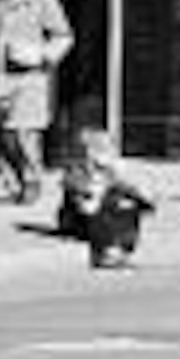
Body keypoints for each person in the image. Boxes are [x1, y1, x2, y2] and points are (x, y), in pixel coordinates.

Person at [0, 0, 73, 202]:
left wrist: (41, 55)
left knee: (25, 132)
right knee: (5, 135)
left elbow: (63, 36)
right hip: (1, 76)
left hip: (30, 77)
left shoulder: (43, 0)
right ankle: (12, 183)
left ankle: (32, 182)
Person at [56, 103, 151, 269]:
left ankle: (122, 248)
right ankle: (108, 251)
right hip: (84, 220)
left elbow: (127, 183)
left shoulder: (110, 168)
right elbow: (85, 201)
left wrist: (140, 195)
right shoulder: (78, 171)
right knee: (114, 204)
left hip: (95, 213)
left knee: (128, 203)